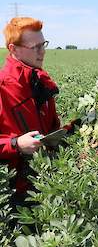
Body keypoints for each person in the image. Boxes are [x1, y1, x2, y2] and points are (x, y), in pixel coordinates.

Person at [0, 17, 60, 209]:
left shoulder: (41, 82)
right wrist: (16, 144)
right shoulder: (3, 87)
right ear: (13, 49)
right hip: (13, 194)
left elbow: (53, 129)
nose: (42, 52)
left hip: (45, 183)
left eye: (43, 44)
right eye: (35, 47)